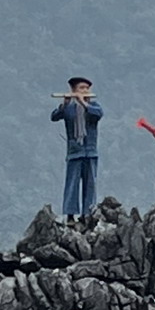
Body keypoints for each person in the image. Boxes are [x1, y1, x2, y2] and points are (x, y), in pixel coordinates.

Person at [51, 77, 103, 221]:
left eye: (87, 88)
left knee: (90, 184)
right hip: (75, 152)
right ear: (74, 90)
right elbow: (55, 116)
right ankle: (70, 215)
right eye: (81, 88)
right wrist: (64, 104)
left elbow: (98, 114)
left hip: (90, 152)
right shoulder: (69, 108)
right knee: (72, 184)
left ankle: (88, 214)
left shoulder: (93, 106)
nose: (85, 91)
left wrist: (84, 103)